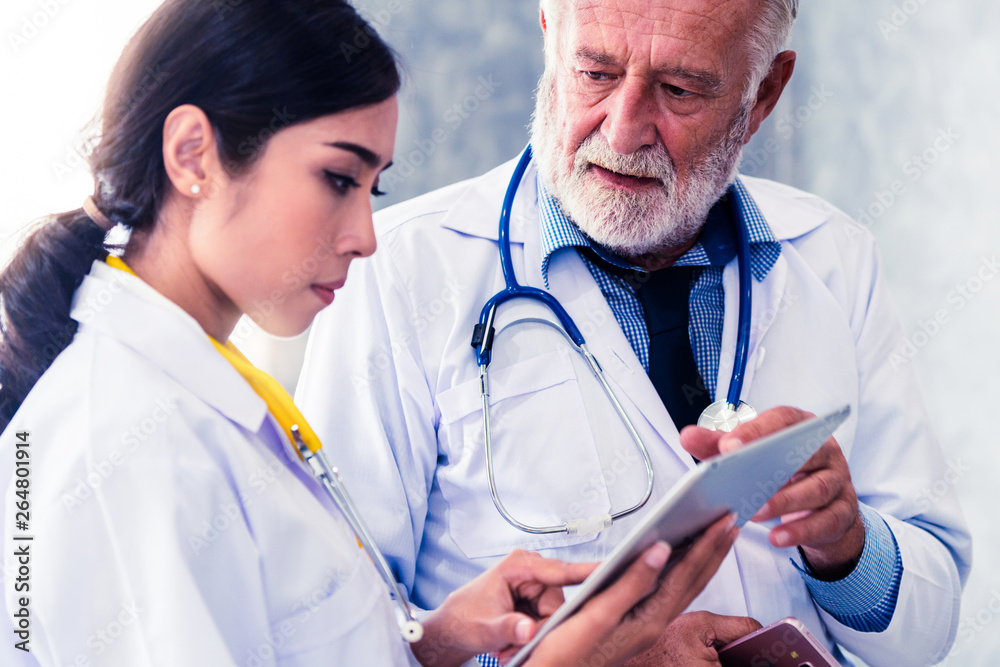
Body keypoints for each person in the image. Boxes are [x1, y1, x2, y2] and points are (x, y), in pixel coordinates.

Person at [0, 1, 742, 665]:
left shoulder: (202, 391)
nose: (365, 235)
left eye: (373, 187)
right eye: (336, 178)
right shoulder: (127, 443)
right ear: (193, 154)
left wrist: (431, 640)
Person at [296, 0, 973, 665]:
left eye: (679, 90)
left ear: (764, 93)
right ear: (548, 39)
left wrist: (847, 547)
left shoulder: (834, 258)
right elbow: (321, 633)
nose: (623, 131)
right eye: (594, 74)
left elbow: (927, 630)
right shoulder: (397, 271)